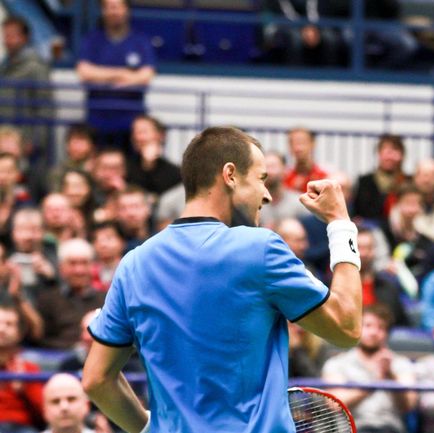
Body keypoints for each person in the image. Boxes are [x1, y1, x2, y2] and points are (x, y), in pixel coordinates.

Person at [82, 126, 362, 433]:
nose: (266, 195)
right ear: (230, 174)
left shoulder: (133, 264)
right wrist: (340, 224)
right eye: (261, 179)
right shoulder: (260, 249)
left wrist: (146, 426)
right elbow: (345, 327)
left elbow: (97, 380)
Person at [321, 304, 416, 433]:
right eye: (368, 326)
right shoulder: (337, 363)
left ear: (387, 334)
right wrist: (374, 382)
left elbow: (408, 405)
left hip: (390, 428)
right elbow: (334, 404)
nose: (373, 332)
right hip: (352, 428)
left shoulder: (401, 364)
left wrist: (390, 374)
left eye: (381, 327)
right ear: (357, 328)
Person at [76, 0, 155, 149]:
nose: (113, 11)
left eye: (117, 7)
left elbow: (146, 76)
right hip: (97, 122)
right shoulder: (92, 39)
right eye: (109, 7)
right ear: (103, 11)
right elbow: (84, 72)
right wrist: (122, 73)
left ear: (127, 10)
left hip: (131, 124)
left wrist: (101, 76)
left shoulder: (140, 40)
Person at [35, 238, 106, 349]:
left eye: (84, 263)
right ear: (61, 268)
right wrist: (75, 347)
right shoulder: (47, 299)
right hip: (59, 359)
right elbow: (40, 339)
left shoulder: (106, 299)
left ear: (93, 267)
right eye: (72, 264)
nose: (79, 270)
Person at [0, 16, 52, 153]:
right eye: (5, 35)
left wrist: (35, 141)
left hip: (25, 140)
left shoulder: (36, 67)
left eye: (12, 35)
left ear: (25, 38)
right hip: (4, 136)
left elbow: (45, 107)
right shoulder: (4, 66)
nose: (7, 40)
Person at [0, 303, 44, 433]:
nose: (2, 329)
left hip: (20, 427)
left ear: (19, 333)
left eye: (9, 324)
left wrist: (24, 389)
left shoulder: (28, 368)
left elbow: (43, 413)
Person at [353, 134, 410, 226]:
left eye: (395, 151)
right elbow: (362, 211)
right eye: (387, 152)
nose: (390, 157)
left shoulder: (408, 181)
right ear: (379, 154)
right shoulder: (365, 181)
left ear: (402, 155)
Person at [126, 115, 181, 196]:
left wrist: (149, 163)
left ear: (161, 136)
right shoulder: (126, 167)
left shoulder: (175, 173)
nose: (137, 137)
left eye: (143, 132)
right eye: (134, 132)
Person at [259, 151, 307, 229]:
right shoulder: (254, 203)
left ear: (285, 170)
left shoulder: (299, 202)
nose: (270, 172)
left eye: (273, 166)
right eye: (266, 167)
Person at [283, 127, 328, 193]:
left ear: (313, 144)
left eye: (302, 142)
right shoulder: (284, 177)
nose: (298, 148)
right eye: (293, 143)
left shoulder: (325, 175)